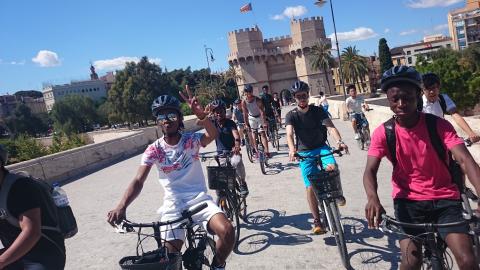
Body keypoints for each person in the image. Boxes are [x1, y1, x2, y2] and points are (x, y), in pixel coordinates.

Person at [363, 66, 480, 270]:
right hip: (407, 203)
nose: (401, 104)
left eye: (407, 97)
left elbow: (465, 160)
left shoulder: (439, 126)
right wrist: (373, 198)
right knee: (410, 262)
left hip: (445, 200)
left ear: (418, 94)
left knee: (468, 260)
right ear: (388, 100)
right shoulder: (384, 133)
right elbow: (369, 170)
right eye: (394, 99)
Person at [107, 86, 234, 270]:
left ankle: (218, 265)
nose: (167, 121)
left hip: (199, 200)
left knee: (228, 231)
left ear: (180, 119)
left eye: (172, 116)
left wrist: (202, 116)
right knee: (170, 261)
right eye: (161, 117)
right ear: (158, 122)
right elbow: (138, 181)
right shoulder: (154, 150)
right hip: (173, 206)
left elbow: (212, 135)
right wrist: (122, 205)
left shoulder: (190, 140)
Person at [286, 80, 348, 235]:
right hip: (305, 152)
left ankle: (337, 194)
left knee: (332, 168)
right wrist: (292, 150)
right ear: (294, 97)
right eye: (298, 96)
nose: (302, 98)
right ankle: (317, 220)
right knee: (309, 187)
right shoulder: (291, 115)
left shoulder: (318, 110)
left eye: (304, 95)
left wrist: (340, 141)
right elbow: (289, 134)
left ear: (308, 95)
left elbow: (330, 127)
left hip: (321, 148)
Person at [0, 145, 66, 270]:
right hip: (15, 253)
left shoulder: (21, 187)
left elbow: (31, 232)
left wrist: (1, 261)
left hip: (44, 253)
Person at [422, 72, 480, 143]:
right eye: (428, 89)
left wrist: (470, 133)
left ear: (439, 87)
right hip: (425, 138)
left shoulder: (443, 98)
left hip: (442, 134)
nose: (431, 92)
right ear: (423, 90)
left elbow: (455, 115)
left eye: (434, 88)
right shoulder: (418, 103)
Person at [209, 99, 249, 197]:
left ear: (224, 111)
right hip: (220, 155)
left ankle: (242, 183)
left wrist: (236, 146)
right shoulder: (212, 123)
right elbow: (199, 122)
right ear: (214, 113)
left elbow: (236, 136)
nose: (219, 114)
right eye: (216, 112)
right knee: (214, 172)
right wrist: (206, 112)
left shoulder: (230, 123)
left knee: (237, 161)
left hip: (232, 152)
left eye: (221, 111)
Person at [241, 84, 271, 158]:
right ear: (245, 92)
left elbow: (262, 112)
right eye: (247, 92)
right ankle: (256, 151)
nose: (249, 93)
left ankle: (267, 151)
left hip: (259, 117)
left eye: (250, 91)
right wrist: (246, 124)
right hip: (251, 118)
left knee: (262, 133)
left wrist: (264, 122)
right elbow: (245, 113)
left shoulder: (257, 99)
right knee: (254, 133)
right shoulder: (244, 102)